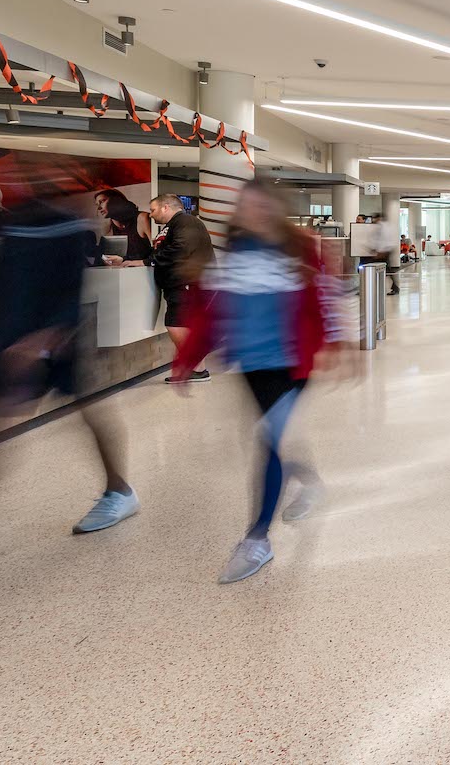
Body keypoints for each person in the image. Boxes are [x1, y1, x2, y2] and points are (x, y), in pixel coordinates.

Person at [171, 178, 347, 584]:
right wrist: (186, 359)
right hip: (250, 365)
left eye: (261, 205)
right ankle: (310, 481)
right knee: (273, 434)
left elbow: (324, 298)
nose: (254, 213)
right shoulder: (234, 255)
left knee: (268, 440)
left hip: (292, 363)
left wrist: (339, 345)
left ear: (274, 209)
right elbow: (211, 313)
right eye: (246, 206)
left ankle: (258, 538)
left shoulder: (300, 251)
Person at [0, 186, 142, 533]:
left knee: (88, 409)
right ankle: (119, 490)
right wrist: (0, 337)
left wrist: (49, 336)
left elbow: (71, 286)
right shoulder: (15, 222)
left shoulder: (66, 225)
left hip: (56, 340)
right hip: (17, 337)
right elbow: (7, 282)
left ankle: (119, 489)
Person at [147, 193, 214, 386]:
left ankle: (195, 366)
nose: (150, 214)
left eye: (153, 209)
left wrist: (149, 260)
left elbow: (181, 248)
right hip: (182, 283)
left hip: (188, 282)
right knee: (182, 326)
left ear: (165, 207)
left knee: (175, 324)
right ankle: (197, 369)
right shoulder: (173, 226)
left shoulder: (186, 222)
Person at [94, 188, 152, 261]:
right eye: (97, 204)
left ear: (117, 200)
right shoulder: (107, 229)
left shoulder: (142, 218)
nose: (99, 208)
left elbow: (158, 253)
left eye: (102, 201)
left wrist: (123, 260)